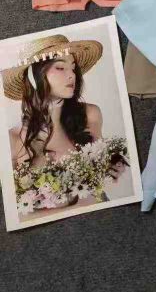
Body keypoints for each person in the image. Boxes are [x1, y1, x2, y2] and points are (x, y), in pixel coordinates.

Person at [2, 34, 124, 219]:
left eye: (73, 68)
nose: (71, 75)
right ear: (35, 76)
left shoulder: (90, 115)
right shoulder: (12, 140)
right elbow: (14, 216)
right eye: (60, 67)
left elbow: (102, 175)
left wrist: (114, 165)